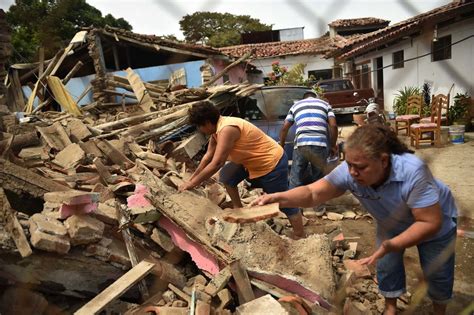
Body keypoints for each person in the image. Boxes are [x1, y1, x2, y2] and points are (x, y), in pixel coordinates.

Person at [253, 124, 457, 315]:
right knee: (387, 267)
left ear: (384, 161)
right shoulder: (350, 171)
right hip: (391, 221)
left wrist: (391, 244)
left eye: (360, 167)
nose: (352, 172)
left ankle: (439, 310)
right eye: (349, 164)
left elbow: (429, 222)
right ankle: (390, 309)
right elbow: (312, 193)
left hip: (433, 224)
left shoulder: (414, 172)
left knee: (438, 273)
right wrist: (278, 197)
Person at [178, 101, 305, 238]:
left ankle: (299, 235)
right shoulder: (216, 131)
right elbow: (207, 157)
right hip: (250, 161)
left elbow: (217, 163)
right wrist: (190, 180)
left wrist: (191, 184)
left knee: (282, 202)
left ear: (207, 122)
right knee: (227, 176)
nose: (200, 130)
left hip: (270, 162)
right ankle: (239, 209)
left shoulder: (227, 129)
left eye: (199, 126)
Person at [279, 91, 338, 214]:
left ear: (304, 98)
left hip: (301, 145)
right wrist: (332, 145)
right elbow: (333, 126)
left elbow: (285, 127)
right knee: (319, 177)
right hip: (320, 145)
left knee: (296, 177)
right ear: (315, 97)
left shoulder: (296, 106)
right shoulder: (325, 105)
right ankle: (319, 209)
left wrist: (282, 144)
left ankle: (293, 208)